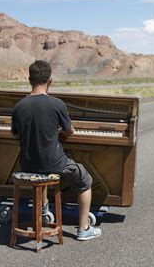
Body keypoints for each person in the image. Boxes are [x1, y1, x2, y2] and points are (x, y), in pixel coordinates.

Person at [11, 60, 101, 241]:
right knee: (85, 180)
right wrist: (55, 130)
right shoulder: (57, 104)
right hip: (54, 164)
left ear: (29, 79)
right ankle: (84, 229)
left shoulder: (18, 107)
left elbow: (15, 135)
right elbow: (70, 132)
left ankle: (44, 210)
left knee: (39, 168)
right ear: (50, 80)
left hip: (27, 164)